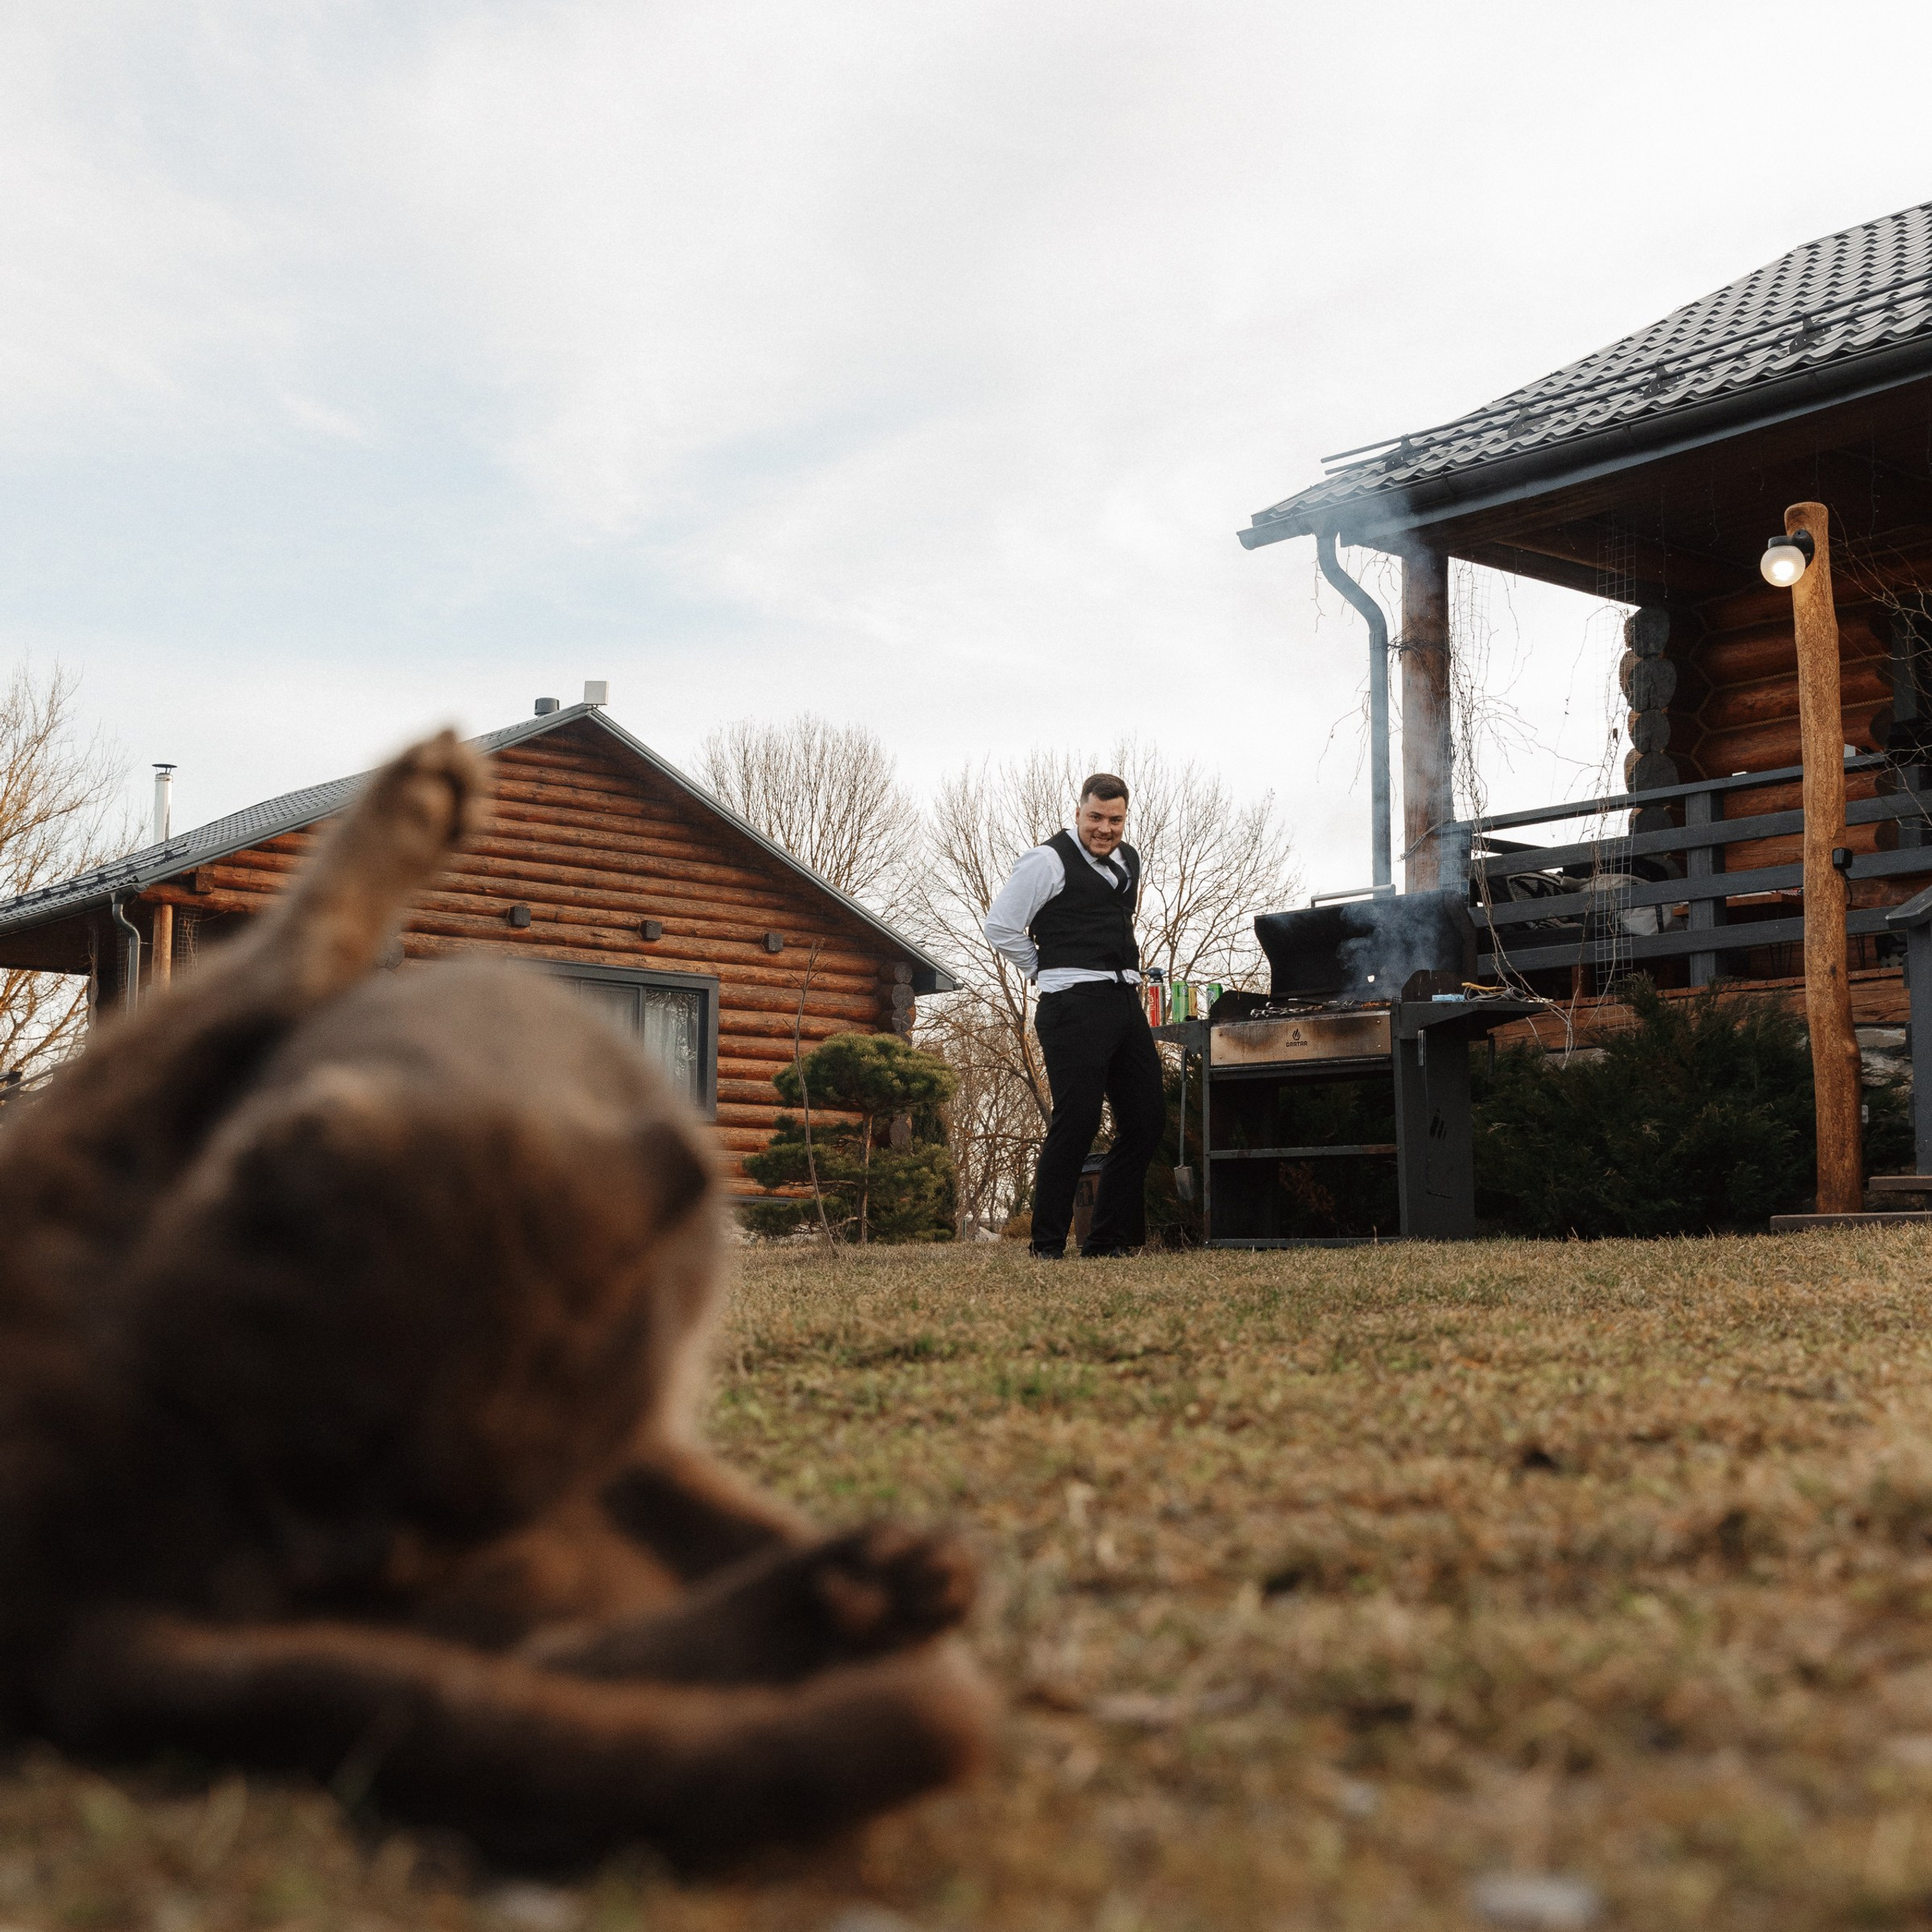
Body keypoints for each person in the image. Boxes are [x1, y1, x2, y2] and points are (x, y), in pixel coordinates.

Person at [983, 773, 1165, 1258]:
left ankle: (1106, 1240)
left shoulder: (1129, 860)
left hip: (1125, 1000)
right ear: (1079, 812)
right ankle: (1046, 1244)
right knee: (1077, 1121)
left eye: (1115, 820)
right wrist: (1040, 968)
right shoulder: (1047, 861)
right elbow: (1000, 925)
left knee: (1147, 1119)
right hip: (1073, 1006)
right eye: (1095, 817)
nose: (1105, 828)